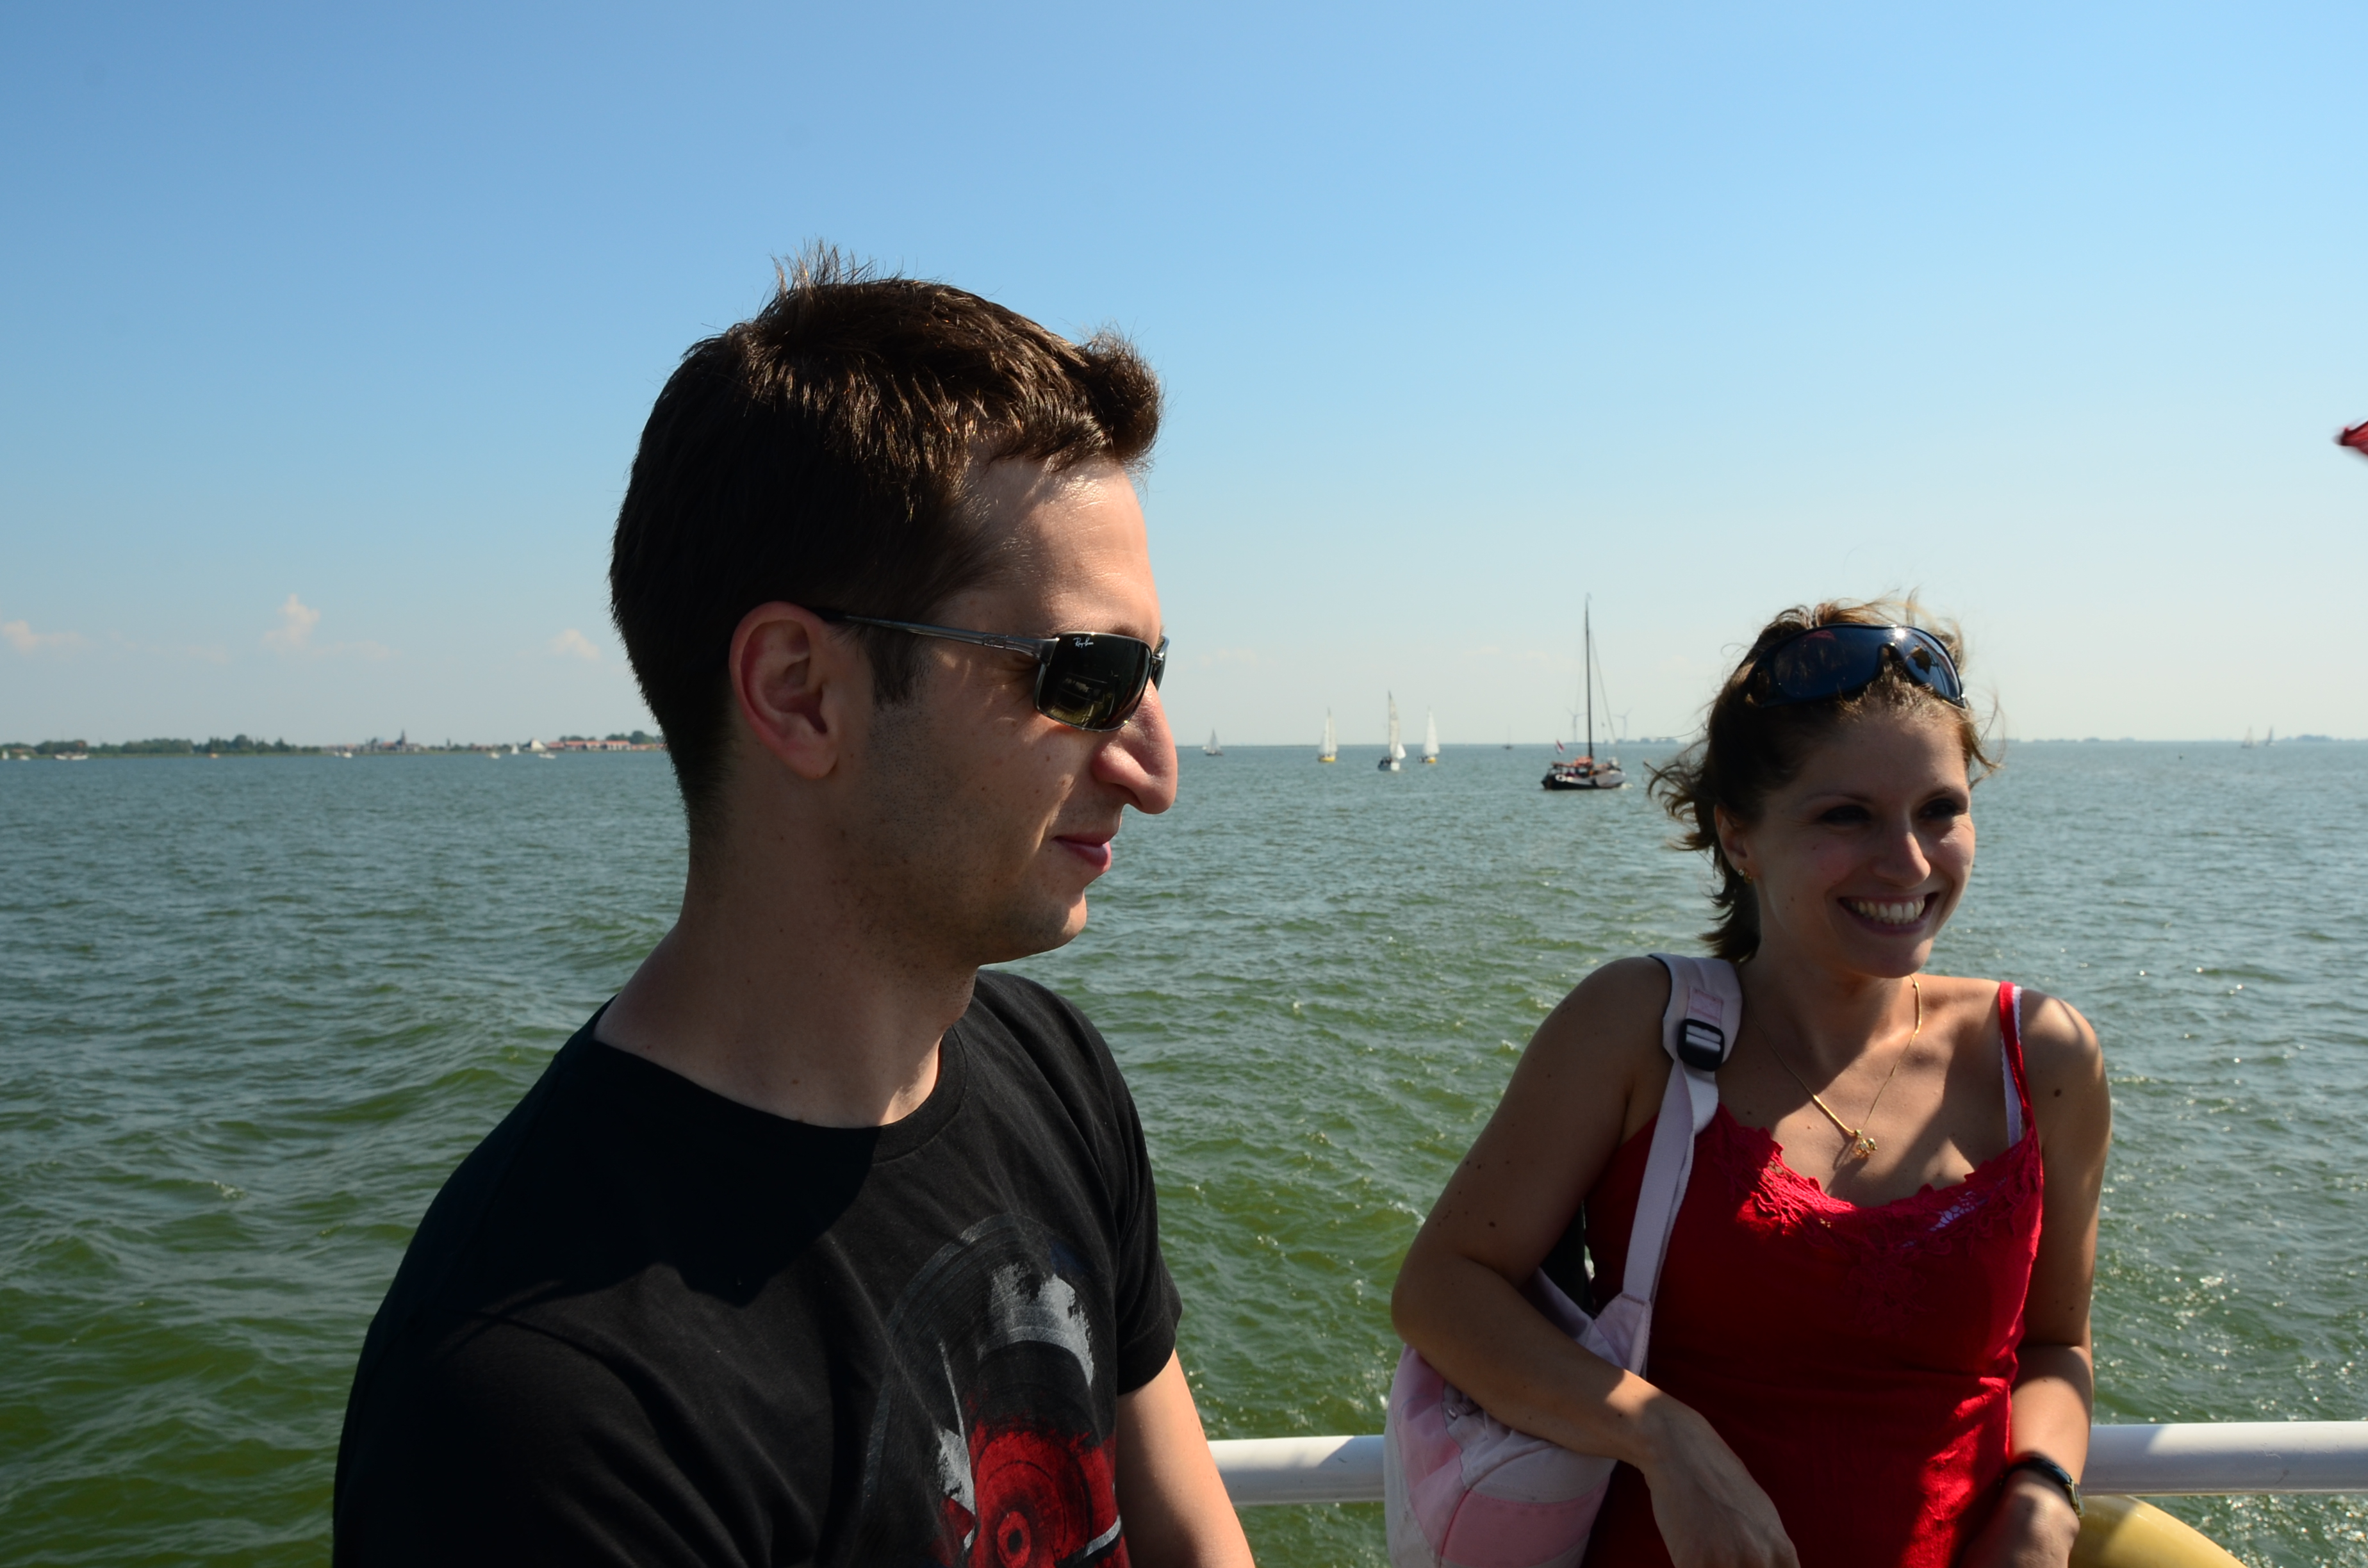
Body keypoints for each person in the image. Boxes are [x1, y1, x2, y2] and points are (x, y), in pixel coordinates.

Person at [334, 254, 1254, 1568]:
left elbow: (1188, 1538)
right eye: (1086, 675)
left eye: (1151, 670)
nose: (1156, 771)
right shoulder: (546, 1422)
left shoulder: (1057, 1074)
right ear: (800, 692)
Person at [1391, 601, 2111, 1568]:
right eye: (1845, 815)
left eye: (1940, 810)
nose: (1908, 860)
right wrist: (1657, 1432)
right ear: (1739, 836)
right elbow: (1441, 1291)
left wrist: (2044, 1498)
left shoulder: (2042, 1060)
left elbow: (2057, 1345)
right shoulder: (1636, 1030)